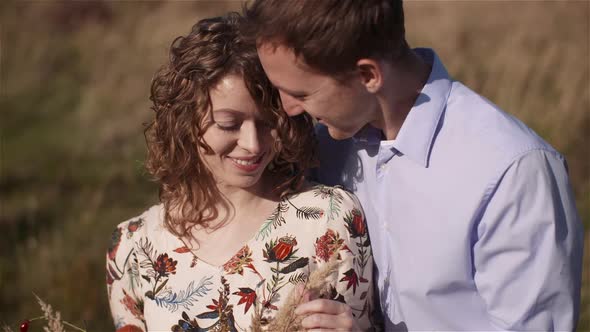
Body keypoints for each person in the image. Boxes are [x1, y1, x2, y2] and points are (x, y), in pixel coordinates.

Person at [245, 0, 584, 330]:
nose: (288, 109)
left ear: (368, 75)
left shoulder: (512, 169)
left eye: (301, 94)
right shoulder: (322, 151)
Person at [106, 13, 377, 332]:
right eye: (228, 124)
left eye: (268, 124)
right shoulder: (133, 247)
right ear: (184, 123)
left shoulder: (329, 219)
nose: (252, 144)